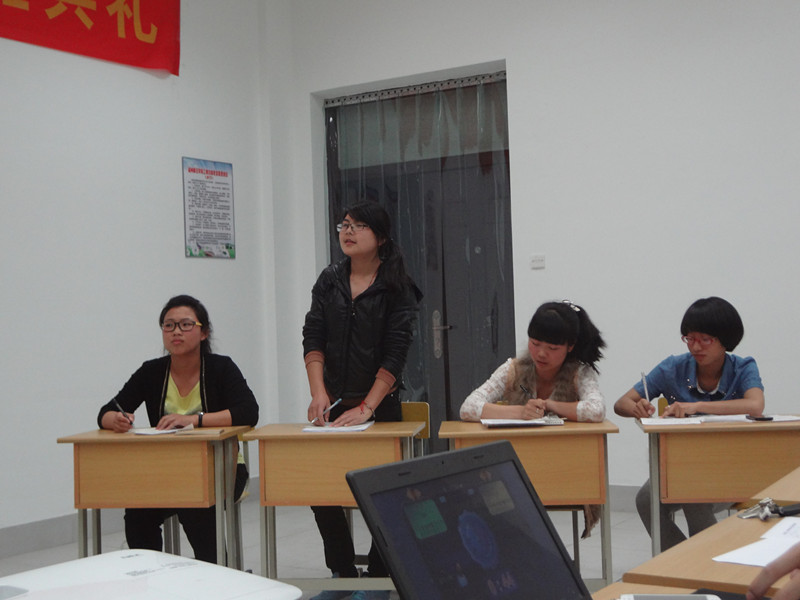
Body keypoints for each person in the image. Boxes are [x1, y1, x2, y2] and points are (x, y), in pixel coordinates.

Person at [302, 201, 422, 600]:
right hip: (334, 406)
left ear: (381, 237)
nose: (347, 232)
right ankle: (342, 574)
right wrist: (318, 391)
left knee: (383, 495)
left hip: (379, 408)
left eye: (358, 226)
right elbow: (313, 335)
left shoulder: (397, 285)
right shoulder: (329, 279)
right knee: (321, 490)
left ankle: (378, 578)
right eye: (344, 225)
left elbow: (396, 353)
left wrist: (367, 407)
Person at [97, 294, 259, 563]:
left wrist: (195, 420)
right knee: (137, 513)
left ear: (203, 332)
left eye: (185, 325)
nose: (176, 332)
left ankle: (216, 576)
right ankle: (152, 575)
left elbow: (248, 412)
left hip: (221, 469)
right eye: (169, 325)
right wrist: (114, 419)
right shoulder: (152, 371)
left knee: (196, 506)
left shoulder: (221, 368)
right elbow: (107, 411)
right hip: (166, 471)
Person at [614, 296, 765, 550]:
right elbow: (621, 403)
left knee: (693, 492)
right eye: (690, 338)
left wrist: (696, 407)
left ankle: (703, 564)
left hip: (730, 467)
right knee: (646, 500)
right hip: (681, 465)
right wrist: (636, 408)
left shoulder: (743, 367)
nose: (696, 346)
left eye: (705, 339)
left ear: (725, 339)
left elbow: (755, 405)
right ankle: (682, 559)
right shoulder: (673, 367)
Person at [460, 300, 607, 537]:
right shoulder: (513, 369)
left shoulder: (579, 373)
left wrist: (550, 405)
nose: (541, 353)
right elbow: (468, 407)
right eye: (535, 343)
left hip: (561, 468)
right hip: (515, 467)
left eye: (552, 348)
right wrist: (519, 412)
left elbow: (596, 410)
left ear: (570, 347)